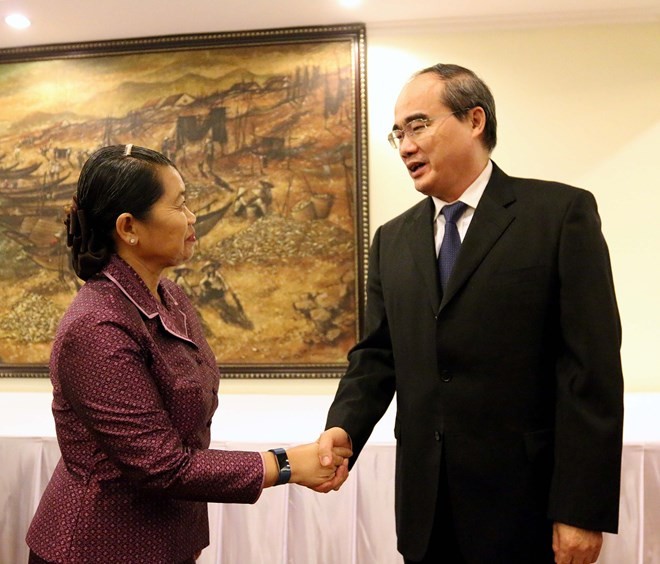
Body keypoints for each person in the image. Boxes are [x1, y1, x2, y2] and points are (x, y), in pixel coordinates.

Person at [316, 64, 624, 564]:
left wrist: (581, 509)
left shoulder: (560, 215)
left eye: (417, 125)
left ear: (474, 119)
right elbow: (376, 355)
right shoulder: (391, 240)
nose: (405, 146)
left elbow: (590, 373)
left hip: (527, 510)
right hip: (426, 510)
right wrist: (344, 427)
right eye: (398, 133)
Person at [25, 144, 350, 564]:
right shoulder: (96, 325)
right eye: (179, 205)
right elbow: (160, 465)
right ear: (128, 228)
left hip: (168, 541)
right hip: (99, 546)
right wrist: (285, 464)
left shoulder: (169, 295)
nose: (193, 216)